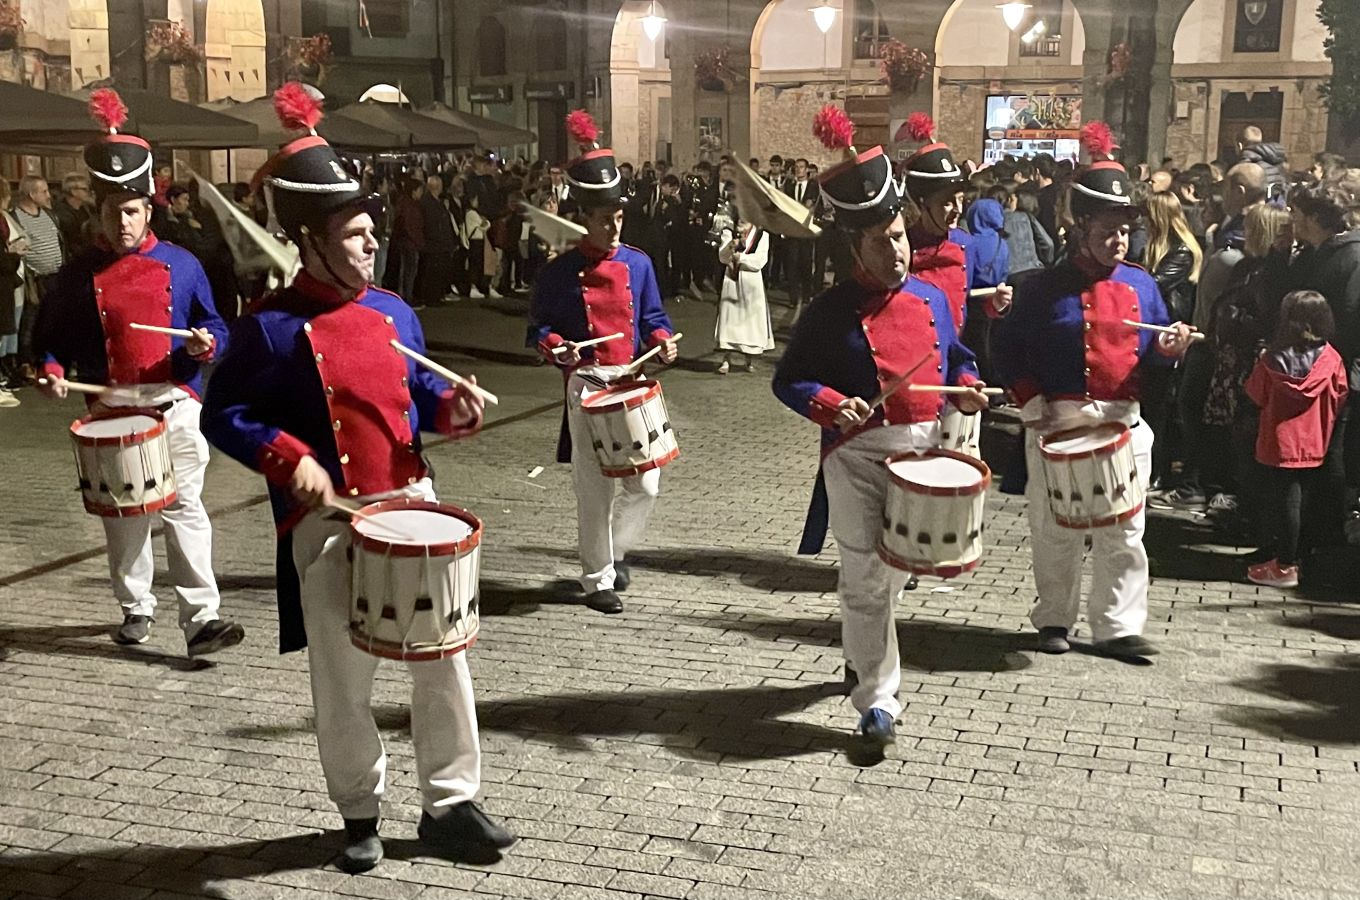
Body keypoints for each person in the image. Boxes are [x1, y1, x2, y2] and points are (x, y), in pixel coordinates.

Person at [201, 84, 515, 873]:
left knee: (445, 662)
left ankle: (451, 803)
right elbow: (222, 413)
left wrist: (457, 412)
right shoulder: (268, 328)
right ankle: (357, 812)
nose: (372, 245)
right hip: (332, 525)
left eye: (374, 233)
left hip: (412, 505)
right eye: (358, 234)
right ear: (311, 240)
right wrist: (287, 455)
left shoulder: (394, 313)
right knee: (343, 680)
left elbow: (415, 407)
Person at [773, 106, 988, 747]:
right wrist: (830, 403)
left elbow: (959, 361)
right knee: (864, 576)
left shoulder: (928, 298)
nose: (896, 251)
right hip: (855, 457)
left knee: (892, 576)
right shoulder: (826, 312)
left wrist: (970, 392)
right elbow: (790, 381)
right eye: (879, 242)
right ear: (852, 246)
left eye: (898, 236)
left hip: (921, 455)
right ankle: (879, 701)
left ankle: (862, 650)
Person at [33, 88, 241, 656]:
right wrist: (51, 372)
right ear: (97, 213)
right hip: (111, 410)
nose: (121, 222)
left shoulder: (184, 264)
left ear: (150, 209)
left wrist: (205, 345)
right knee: (124, 520)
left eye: (131, 211)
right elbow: (46, 345)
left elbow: (216, 326)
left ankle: (202, 618)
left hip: (174, 404)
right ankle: (135, 607)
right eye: (110, 212)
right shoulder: (78, 275)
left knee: (184, 508)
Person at [993, 121, 1195, 662]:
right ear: (1079, 226)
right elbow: (1006, 348)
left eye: (1125, 231)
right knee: (1055, 531)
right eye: (1108, 229)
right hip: (1058, 424)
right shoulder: (1039, 287)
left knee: (1125, 533)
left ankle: (1118, 627)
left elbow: (1151, 357)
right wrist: (1032, 401)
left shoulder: (1142, 285)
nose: (1118, 240)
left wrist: (1169, 352)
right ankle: (1054, 618)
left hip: (1124, 425)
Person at [528, 109, 678, 616]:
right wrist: (558, 348)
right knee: (594, 489)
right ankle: (597, 579)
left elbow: (654, 316)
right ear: (581, 219)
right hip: (587, 383)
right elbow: (538, 331)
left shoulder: (638, 263)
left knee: (647, 481)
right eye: (603, 219)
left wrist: (663, 340)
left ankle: (613, 553)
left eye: (618, 217)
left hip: (630, 378)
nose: (613, 227)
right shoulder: (559, 272)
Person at [1244, 291, 1349, 587]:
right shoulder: (1332, 359)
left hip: (1279, 440)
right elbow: (1340, 397)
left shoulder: (1271, 358)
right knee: (1305, 501)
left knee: (1283, 502)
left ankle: (1284, 566)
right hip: (1315, 440)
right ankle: (1297, 559)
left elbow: (1255, 393)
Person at [1285, 173, 1360, 544]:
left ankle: (1327, 539)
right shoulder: (1314, 253)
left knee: (1331, 454)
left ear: (1314, 217)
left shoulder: (1350, 255)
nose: (1291, 219)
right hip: (1307, 368)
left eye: (1297, 213)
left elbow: (1348, 315)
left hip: (1336, 372)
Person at [899, 113, 1011, 333]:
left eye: (961, 200)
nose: (958, 210)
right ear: (922, 204)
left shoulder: (965, 244)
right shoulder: (903, 245)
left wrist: (996, 304)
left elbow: (971, 301)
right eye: (947, 202)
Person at [1142, 190, 1204, 497]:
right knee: (1152, 406)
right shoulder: (1161, 248)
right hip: (1156, 334)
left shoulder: (1180, 252)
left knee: (1158, 410)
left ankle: (1158, 471)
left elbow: (1153, 283)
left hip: (1168, 336)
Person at [715, 219, 773, 374]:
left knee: (750, 320)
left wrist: (741, 258)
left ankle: (749, 360)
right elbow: (722, 257)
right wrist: (730, 248)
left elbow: (760, 260)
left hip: (751, 282)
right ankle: (726, 359)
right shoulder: (729, 232)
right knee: (730, 318)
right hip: (732, 280)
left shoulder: (762, 235)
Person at [1236, 126, 1289, 203]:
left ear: (1239, 146)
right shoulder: (1278, 167)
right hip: (1274, 211)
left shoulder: (1242, 168)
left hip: (1253, 213)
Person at [53, 173, 97, 259]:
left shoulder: (86, 208)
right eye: (84, 189)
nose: (89, 192)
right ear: (73, 191)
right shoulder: (62, 213)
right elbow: (73, 242)